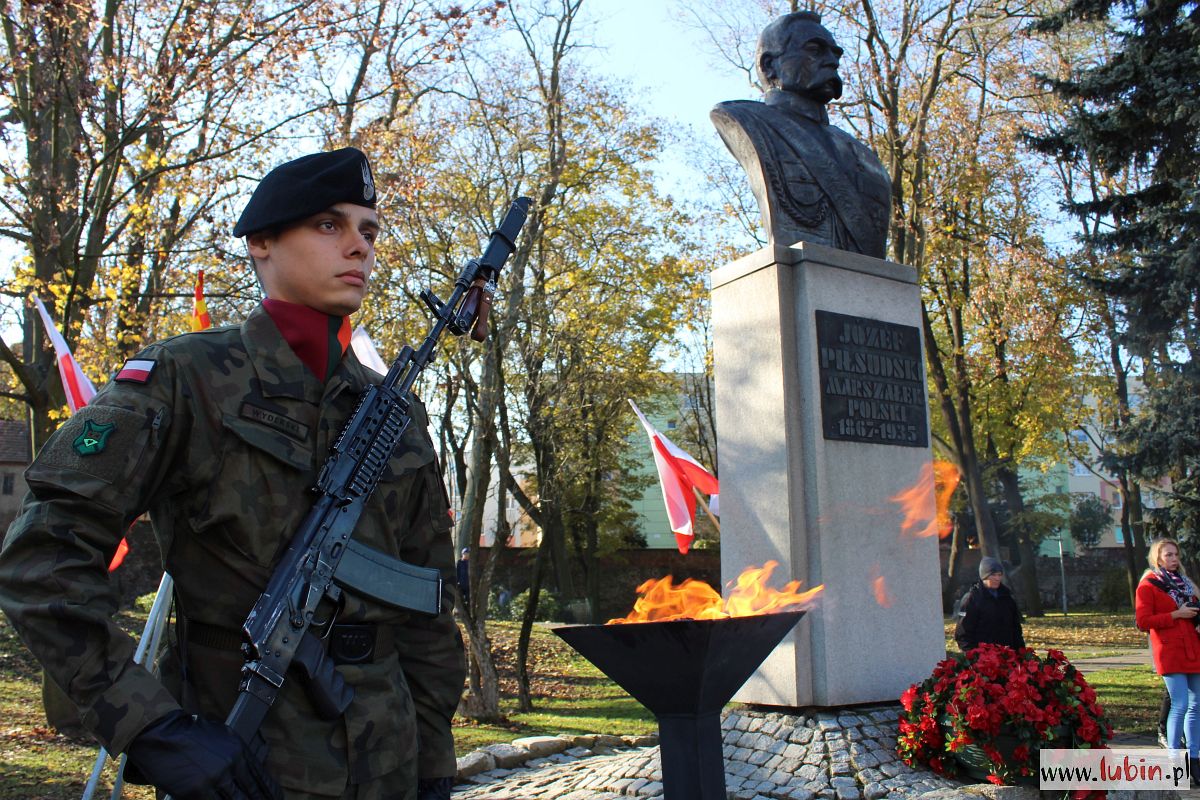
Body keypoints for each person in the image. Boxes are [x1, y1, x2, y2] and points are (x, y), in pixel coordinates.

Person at [0, 148, 465, 800]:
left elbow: (428, 607)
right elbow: (39, 567)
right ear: (261, 243)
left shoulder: (395, 411)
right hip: (244, 763)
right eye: (330, 225)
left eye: (368, 229)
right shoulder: (183, 380)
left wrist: (434, 766)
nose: (358, 246)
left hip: (387, 761)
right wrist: (154, 729)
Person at [710, 11, 892, 258]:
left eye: (835, 53)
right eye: (815, 50)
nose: (832, 61)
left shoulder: (865, 158)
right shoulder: (746, 120)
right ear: (769, 65)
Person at [1136, 538, 1200, 775]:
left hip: (1193, 649)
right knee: (1180, 704)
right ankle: (1174, 759)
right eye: (1168, 555)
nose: (1174, 559)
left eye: (1176, 555)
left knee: (1196, 706)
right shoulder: (1149, 585)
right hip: (1169, 651)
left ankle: (1194, 759)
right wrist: (1176, 614)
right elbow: (1143, 622)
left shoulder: (1186, 584)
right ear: (1157, 558)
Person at [954, 557, 1025, 653]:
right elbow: (963, 633)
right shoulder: (972, 599)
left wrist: (1021, 652)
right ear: (984, 576)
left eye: (999, 575)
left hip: (1007, 655)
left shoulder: (1007, 598)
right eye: (993, 575)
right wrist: (972, 655)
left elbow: (1016, 629)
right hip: (983, 658)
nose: (997, 578)